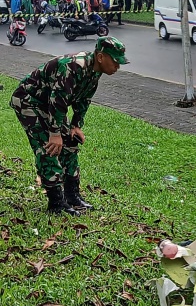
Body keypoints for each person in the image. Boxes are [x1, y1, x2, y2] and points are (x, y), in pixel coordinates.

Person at [9, 37, 129, 216]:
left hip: (51, 105)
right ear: (101, 57)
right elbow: (57, 101)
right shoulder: (72, 67)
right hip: (30, 101)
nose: (117, 67)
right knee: (49, 148)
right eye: (115, 62)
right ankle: (56, 204)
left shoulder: (95, 71)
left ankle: (71, 195)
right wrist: (55, 133)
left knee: (71, 143)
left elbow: (83, 99)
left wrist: (75, 126)